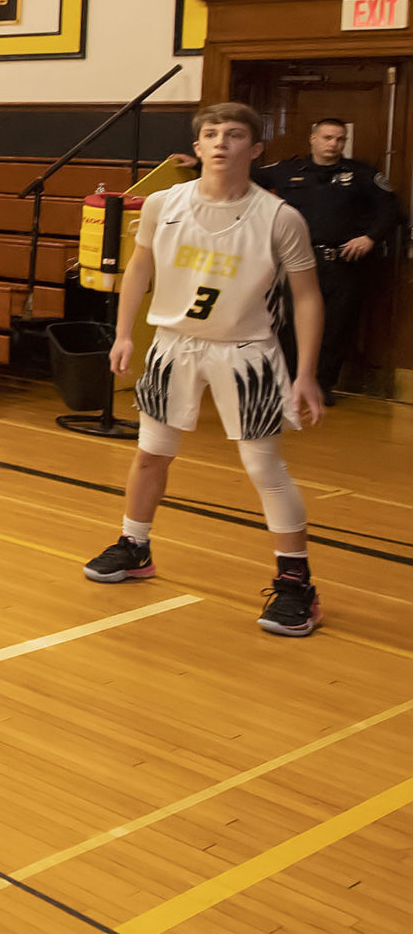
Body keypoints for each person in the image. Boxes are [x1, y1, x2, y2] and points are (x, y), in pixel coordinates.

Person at [84, 101, 328, 635]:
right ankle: (135, 545)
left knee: (264, 468)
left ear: (255, 148)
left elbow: (307, 298)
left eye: (234, 134)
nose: (220, 142)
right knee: (151, 455)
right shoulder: (162, 204)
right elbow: (139, 265)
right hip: (174, 346)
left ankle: (295, 584)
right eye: (210, 134)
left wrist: (306, 372)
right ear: (196, 148)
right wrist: (125, 333)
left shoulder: (279, 217)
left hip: (248, 352)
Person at [255, 117, 398, 395]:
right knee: (288, 322)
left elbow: (391, 210)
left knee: (337, 325)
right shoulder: (288, 170)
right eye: (327, 138)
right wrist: (199, 163)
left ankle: (322, 385)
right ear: (313, 139)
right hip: (297, 260)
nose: (333, 144)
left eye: (339, 139)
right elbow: (242, 176)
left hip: (342, 262)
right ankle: (288, 382)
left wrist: (370, 237)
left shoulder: (361, 175)